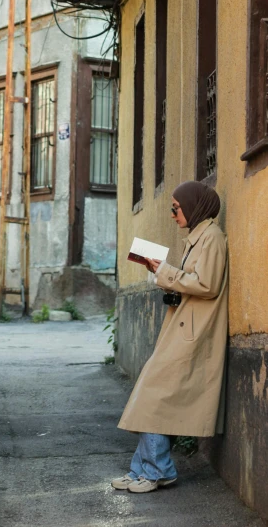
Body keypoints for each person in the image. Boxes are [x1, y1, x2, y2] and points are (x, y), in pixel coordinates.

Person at [112, 180, 228, 493]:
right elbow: (192, 281)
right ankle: (142, 470)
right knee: (152, 398)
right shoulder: (198, 238)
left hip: (194, 332)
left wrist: (167, 272)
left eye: (175, 208)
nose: (172, 214)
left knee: (153, 397)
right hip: (182, 327)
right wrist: (162, 273)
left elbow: (208, 285)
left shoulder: (212, 238)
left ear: (193, 206)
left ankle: (158, 471)